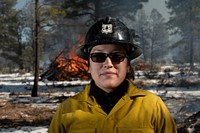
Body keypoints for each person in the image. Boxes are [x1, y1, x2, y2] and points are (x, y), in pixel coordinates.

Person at [48, 16, 177, 133]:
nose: (108, 64)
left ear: (128, 66)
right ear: (88, 66)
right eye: (98, 56)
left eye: (117, 56)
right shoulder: (67, 111)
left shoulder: (153, 107)